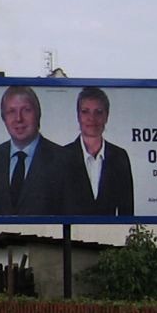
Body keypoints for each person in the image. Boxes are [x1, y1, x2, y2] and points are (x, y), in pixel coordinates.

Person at [0, 85, 69, 216]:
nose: (18, 119)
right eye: (11, 112)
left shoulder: (64, 159)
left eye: (26, 110)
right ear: (3, 118)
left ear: (38, 114)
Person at [66, 86, 134, 217]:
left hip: (109, 236)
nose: (92, 118)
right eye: (85, 111)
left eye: (98, 112)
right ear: (78, 116)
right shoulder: (61, 157)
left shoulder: (119, 157)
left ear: (106, 116)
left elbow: (127, 211)